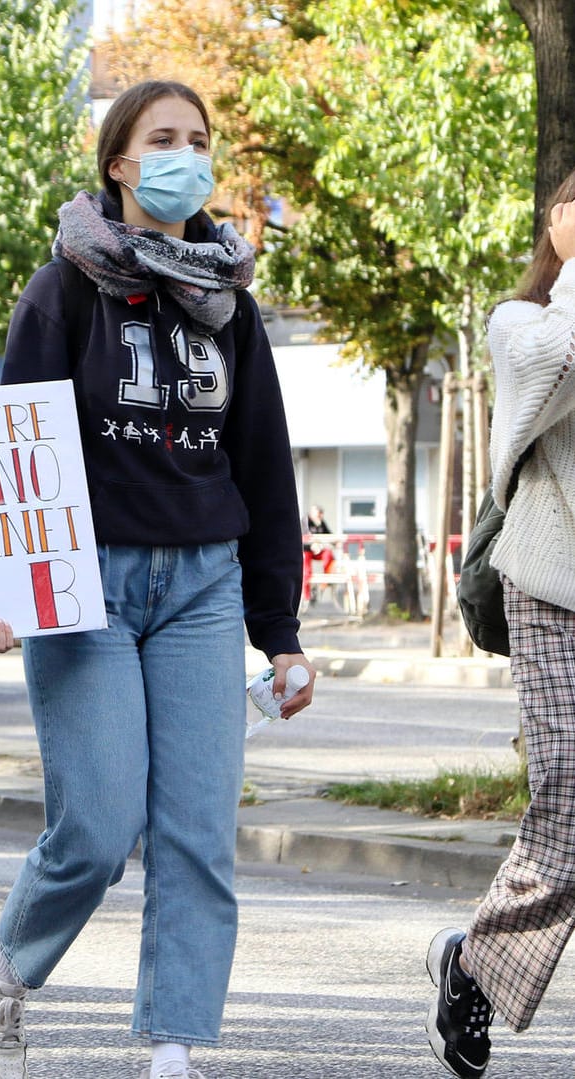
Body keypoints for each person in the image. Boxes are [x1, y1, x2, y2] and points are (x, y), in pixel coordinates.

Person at [0, 80, 315, 1079]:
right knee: (100, 825)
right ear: (118, 162)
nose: (184, 155)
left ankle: (174, 1045)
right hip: (87, 583)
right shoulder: (62, 287)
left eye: (197, 140)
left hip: (200, 580)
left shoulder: (228, 302)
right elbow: (11, 449)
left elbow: (261, 458)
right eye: (162, 139)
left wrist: (276, 628)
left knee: (197, 830)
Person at [423, 174, 575, 1079]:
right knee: (567, 794)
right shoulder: (520, 325)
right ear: (559, 224)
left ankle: (472, 960)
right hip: (549, 585)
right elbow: (555, 371)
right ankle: (478, 963)